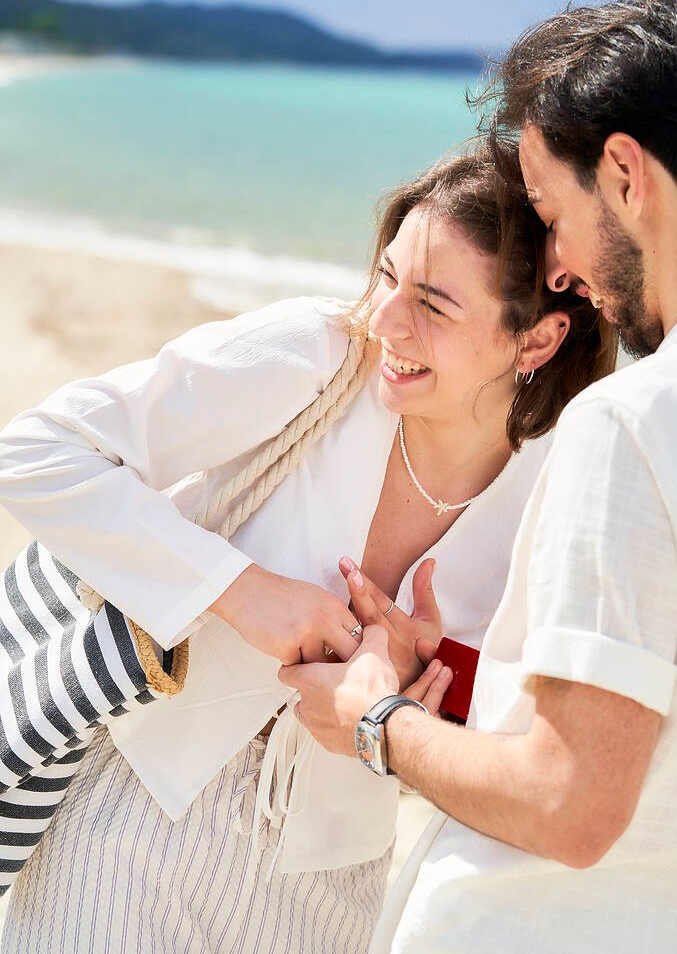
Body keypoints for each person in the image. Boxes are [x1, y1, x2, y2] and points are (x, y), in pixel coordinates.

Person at [0, 145, 611, 953]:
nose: (385, 319)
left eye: (431, 303)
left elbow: (530, 743)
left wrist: (429, 690)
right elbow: (37, 452)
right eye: (387, 276)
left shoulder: (558, 488)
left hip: (327, 886)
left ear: (534, 342)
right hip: (134, 812)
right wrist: (237, 588)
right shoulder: (319, 356)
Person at [283, 0, 677, 953]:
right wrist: (461, 682)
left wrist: (376, 718)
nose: (553, 263)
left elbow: (569, 803)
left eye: (549, 211)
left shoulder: (628, 427)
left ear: (624, 175)